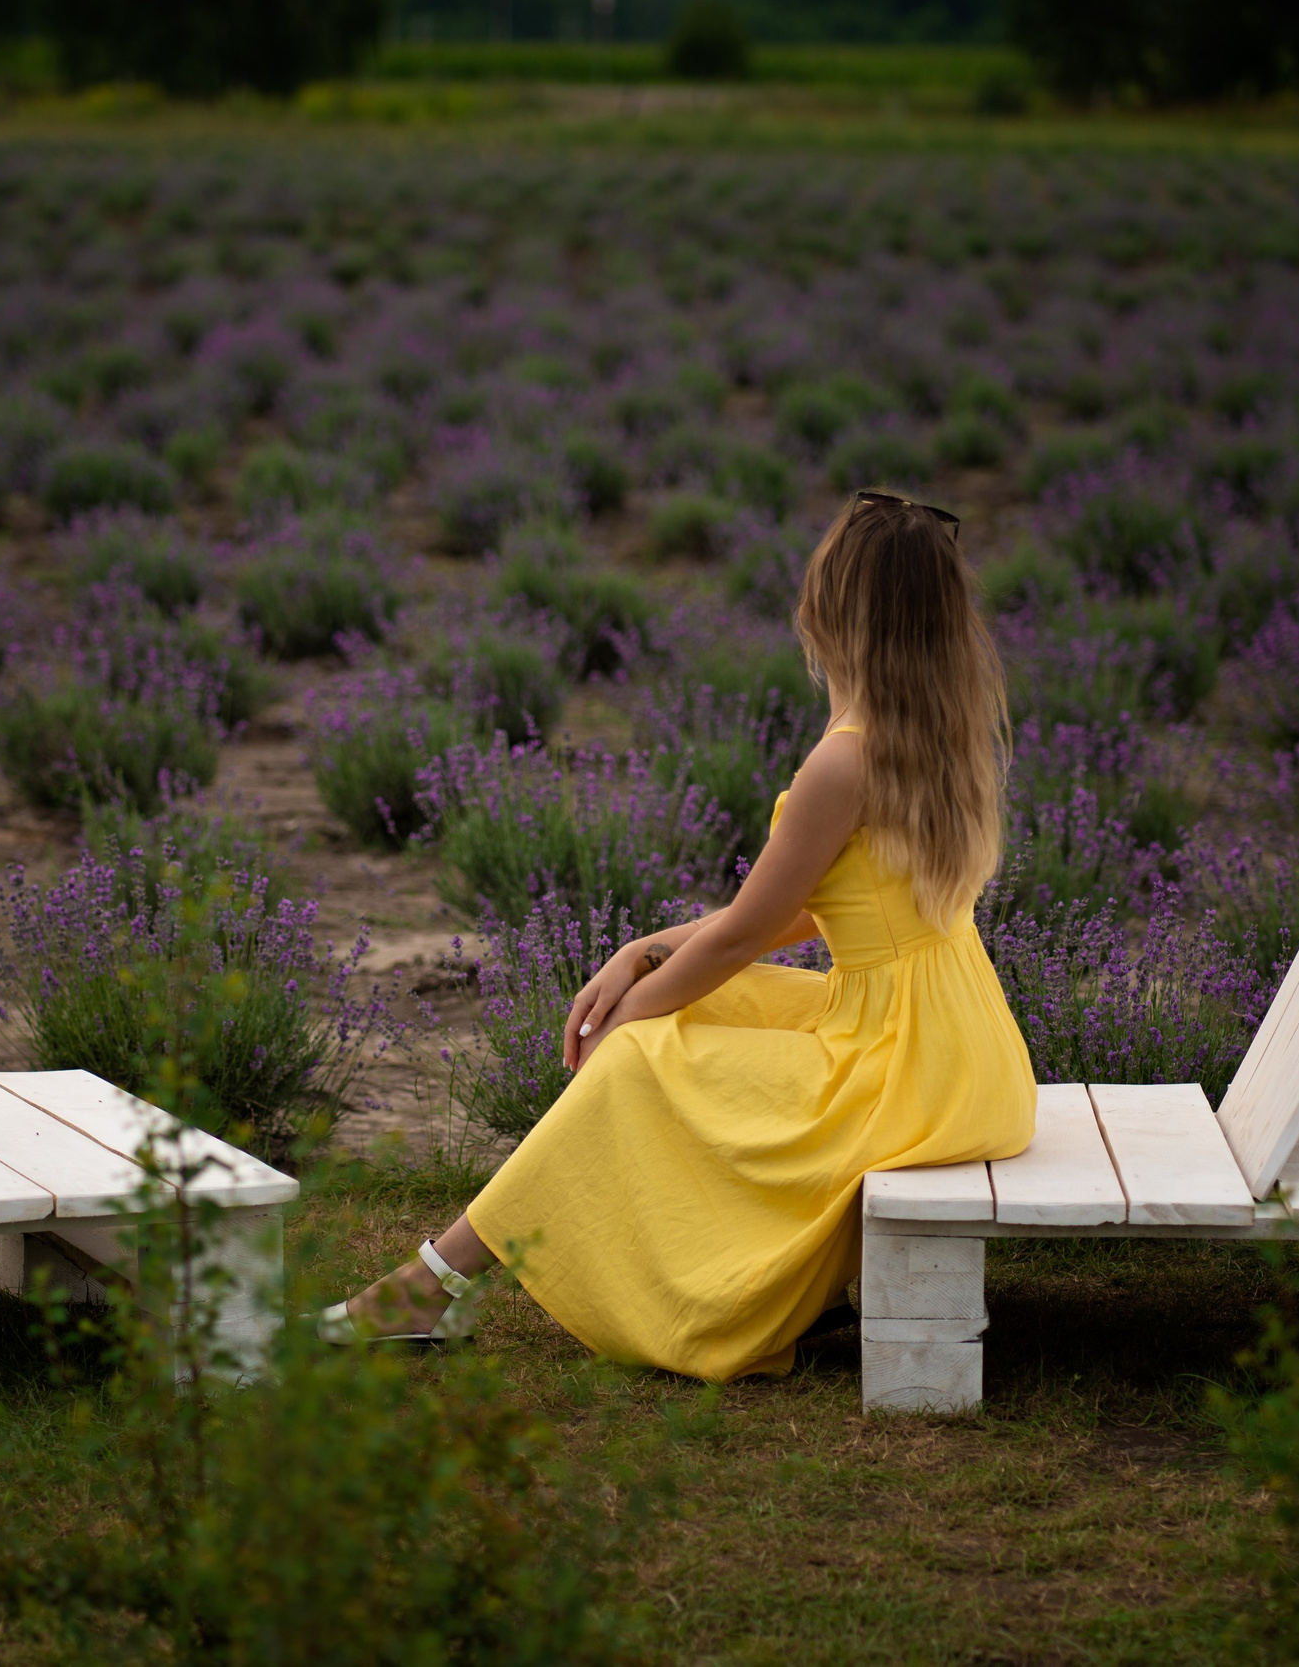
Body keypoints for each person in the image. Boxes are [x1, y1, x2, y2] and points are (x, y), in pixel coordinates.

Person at [319, 491, 1038, 1380]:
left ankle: (431, 1284)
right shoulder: (932, 732)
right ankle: (442, 1280)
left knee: (639, 1054)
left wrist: (629, 1016)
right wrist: (647, 950)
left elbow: (744, 934)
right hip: (957, 1047)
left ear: (836, 611)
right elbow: (814, 914)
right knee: (694, 1010)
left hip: (903, 1067)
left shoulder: (845, 758)